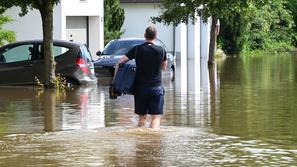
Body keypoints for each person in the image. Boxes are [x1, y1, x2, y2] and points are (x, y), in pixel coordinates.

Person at [117, 26, 167, 129]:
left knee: (142, 118)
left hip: (140, 89)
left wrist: (116, 80)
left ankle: (141, 140)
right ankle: (153, 140)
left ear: (145, 35)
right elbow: (164, 67)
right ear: (156, 36)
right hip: (156, 88)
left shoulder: (137, 49)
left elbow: (121, 61)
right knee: (155, 118)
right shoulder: (161, 50)